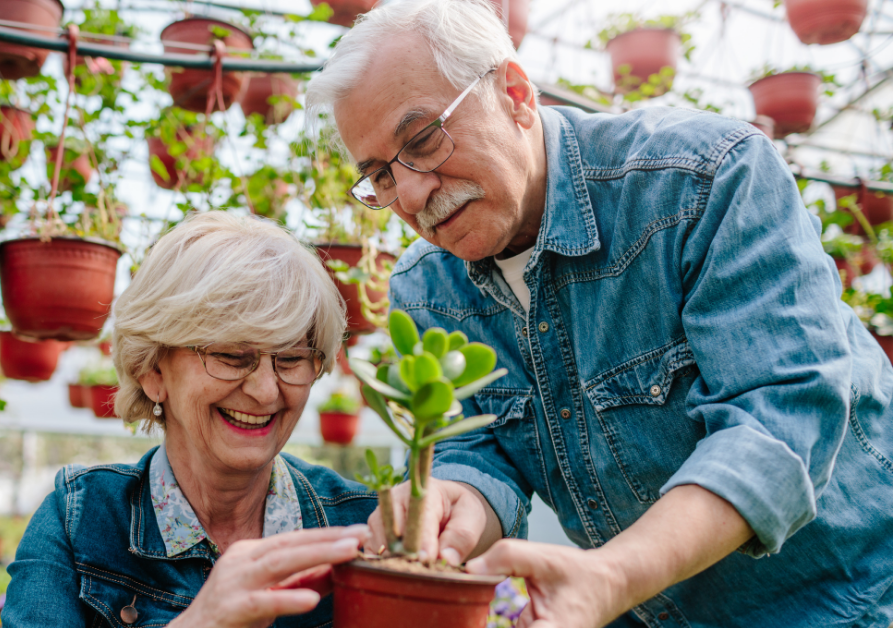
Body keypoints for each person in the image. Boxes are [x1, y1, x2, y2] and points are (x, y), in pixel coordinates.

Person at [304, 1, 893, 627]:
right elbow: (481, 451)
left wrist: (613, 575)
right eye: (379, 177)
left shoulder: (700, 179)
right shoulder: (427, 287)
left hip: (852, 600)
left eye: (423, 139)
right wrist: (461, 499)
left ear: (515, 93)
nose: (412, 195)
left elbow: (780, 417)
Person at [2, 212, 375, 628]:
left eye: (291, 359)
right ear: (153, 371)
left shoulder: (360, 525)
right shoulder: (80, 519)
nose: (266, 390)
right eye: (232, 356)